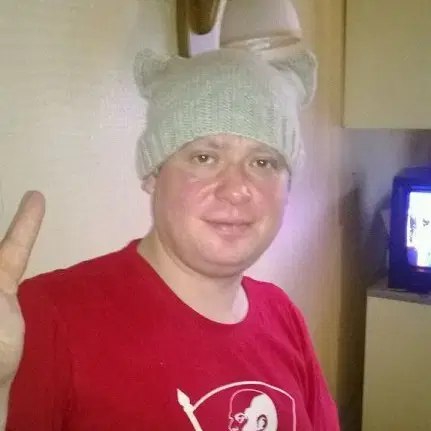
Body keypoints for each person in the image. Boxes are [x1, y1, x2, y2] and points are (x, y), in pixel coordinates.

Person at [0, 47, 340, 430]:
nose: (236, 189)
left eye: (263, 162)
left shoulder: (282, 315)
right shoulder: (51, 317)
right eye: (204, 158)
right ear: (153, 174)